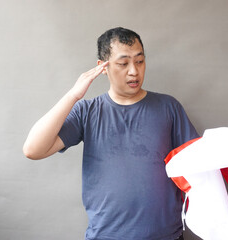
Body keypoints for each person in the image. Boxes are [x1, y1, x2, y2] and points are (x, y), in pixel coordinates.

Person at [23, 27, 199, 240]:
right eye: (123, 64)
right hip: (106, 236)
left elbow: (198, 166)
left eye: (140, 61)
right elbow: (33, 149)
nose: (134, 71)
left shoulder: (168, 107)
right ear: (103, 67)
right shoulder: (87, 111)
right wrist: (73, 95)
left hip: (166, 236)